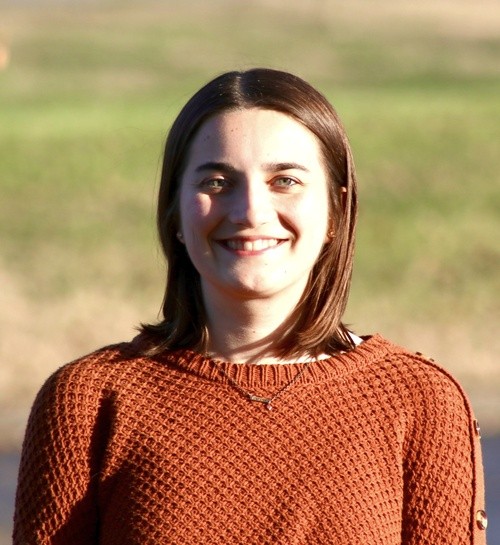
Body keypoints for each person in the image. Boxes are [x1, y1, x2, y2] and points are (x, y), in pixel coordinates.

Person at [13, 68, 487, 544]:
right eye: (218, 182)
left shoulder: (419, 400)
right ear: (175, 211)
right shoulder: (88, 399)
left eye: (285, 180)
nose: (250, 212)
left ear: (336, 211)